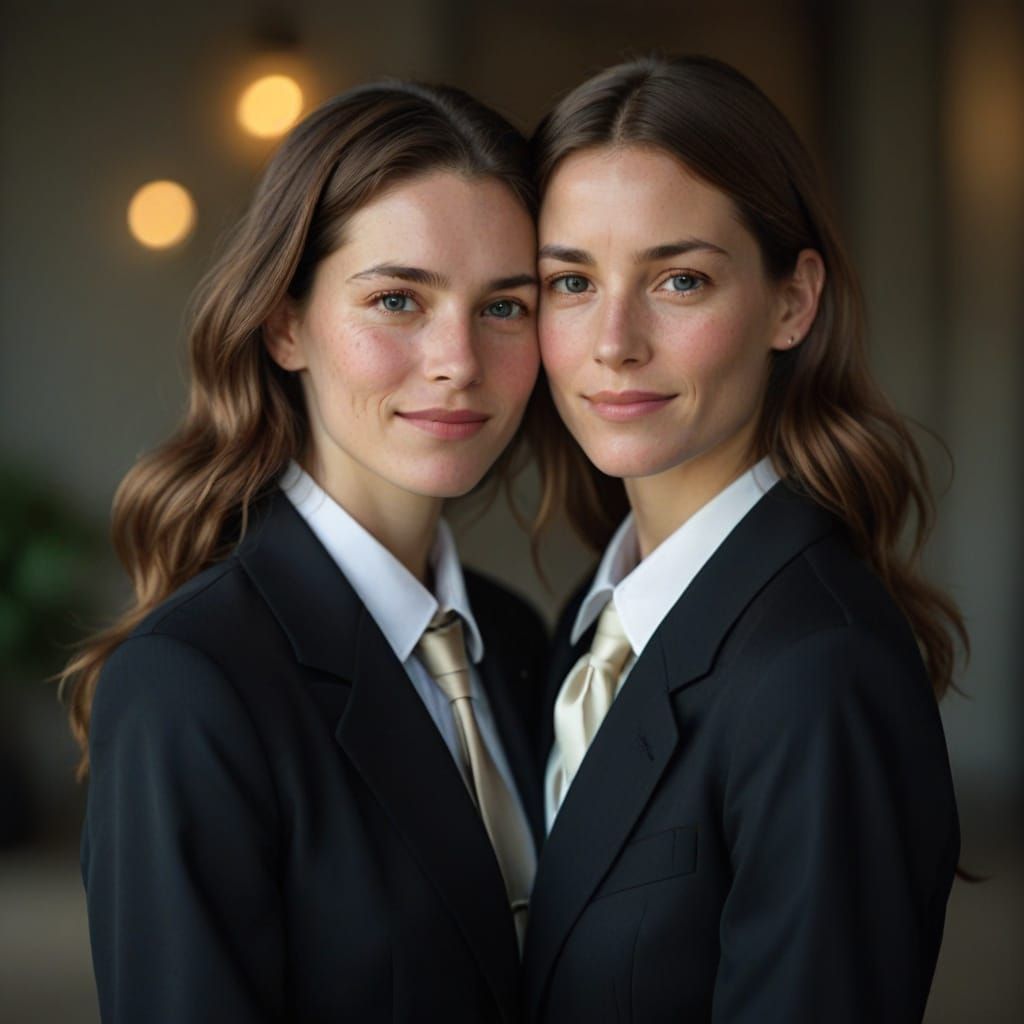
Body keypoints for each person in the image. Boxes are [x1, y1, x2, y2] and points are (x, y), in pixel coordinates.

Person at [61, 81, 547, 1023]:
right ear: (287, 324)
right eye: (399, 299)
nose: (458, 359)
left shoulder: (518, 639)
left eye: (506, 306)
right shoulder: (188, 683)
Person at [523, 56, 964, 1023]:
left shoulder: (819, 670)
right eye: (570, 281)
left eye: (678, 280)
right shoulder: (587, 629)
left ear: (792, 302)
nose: (614, 341)